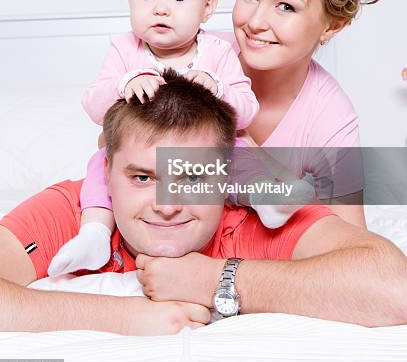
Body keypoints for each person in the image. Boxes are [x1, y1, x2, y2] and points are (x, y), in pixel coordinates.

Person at [0, 72, 406, 335]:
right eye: (142, 177)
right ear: (105, 174)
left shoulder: (253, 218)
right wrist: (125, 317)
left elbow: (395, 288)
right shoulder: (76, 209)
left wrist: (214, 280)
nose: (167, 205)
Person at [48, 0, 260, 276]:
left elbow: (249, 112)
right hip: (139, 152)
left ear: (207, 7)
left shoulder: (218, 53)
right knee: (102, 161)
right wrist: (124, 83)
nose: (160, 8)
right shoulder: (125, 50)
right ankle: (96, 232)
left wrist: (218, 89)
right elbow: (93, 106)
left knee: (243, 147)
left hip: (202, 159)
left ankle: (268, 201)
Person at [231, 0, 386, 227]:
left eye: (285, 6)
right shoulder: (198, 55)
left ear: (333, 25)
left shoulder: (329, 116)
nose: (256, 22)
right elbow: (110, 147)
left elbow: (352, 243)